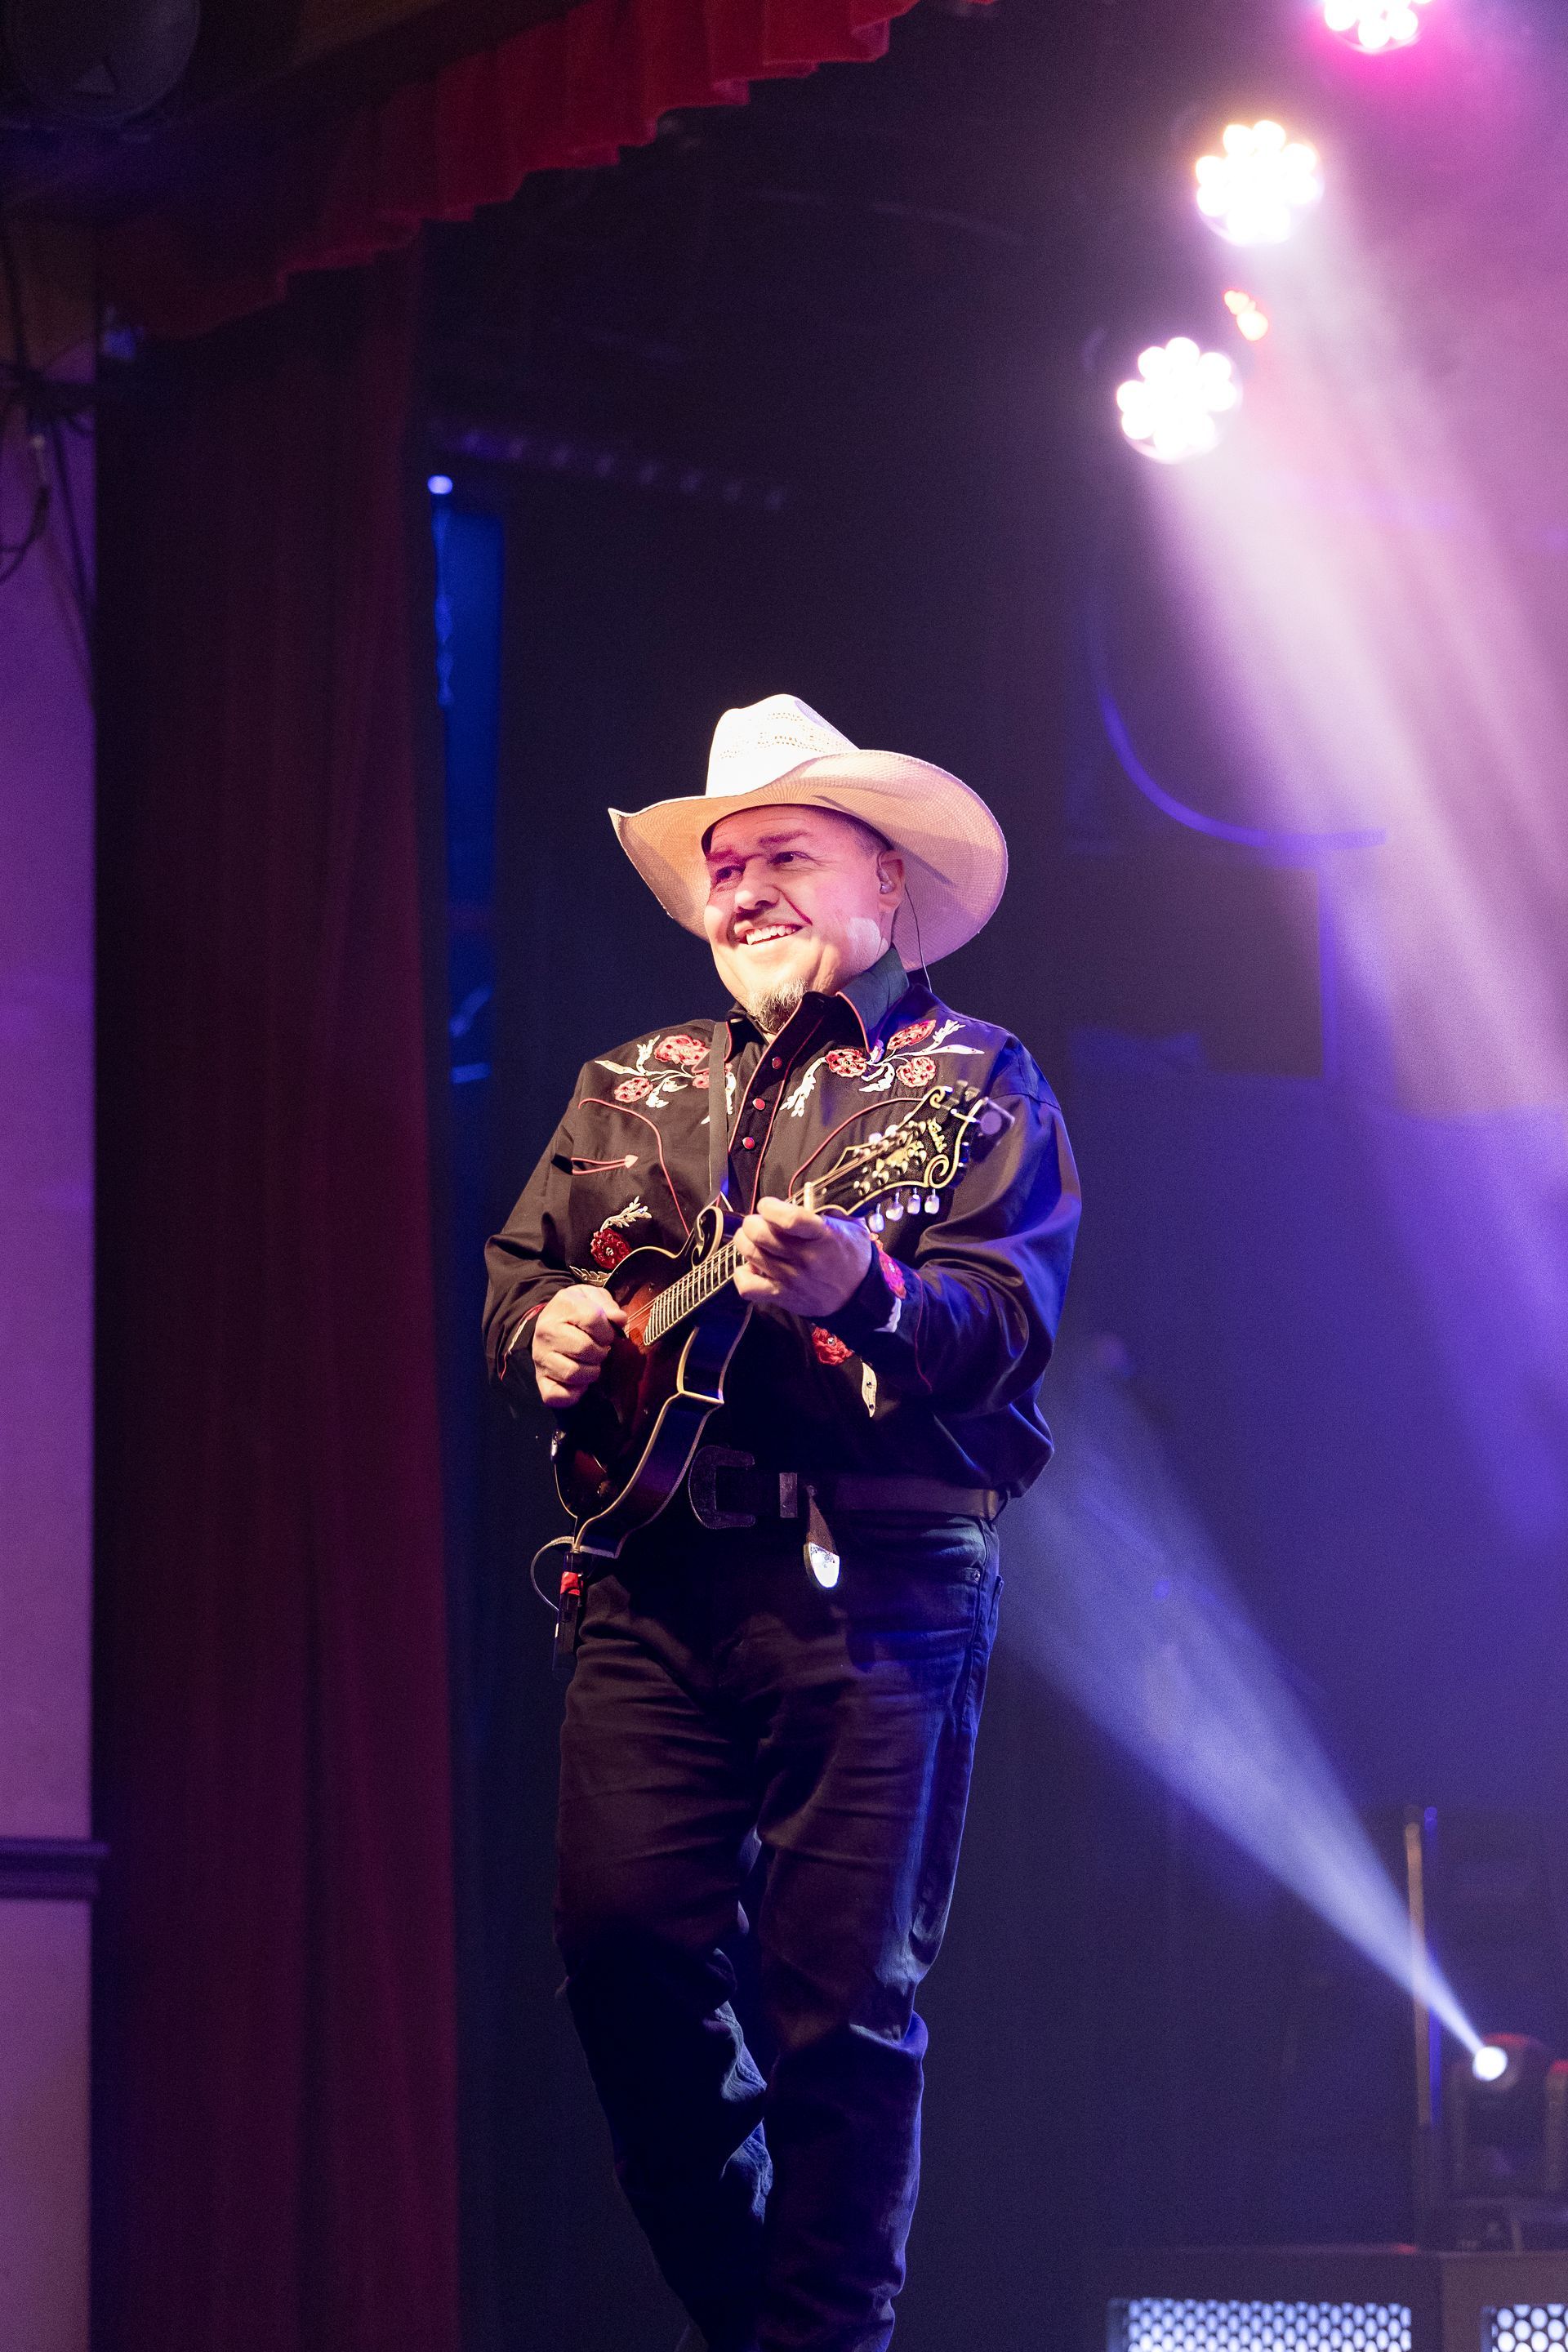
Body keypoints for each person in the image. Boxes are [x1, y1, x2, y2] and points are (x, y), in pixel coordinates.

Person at [483, 693, 1080, 2352]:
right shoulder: (626, 1084)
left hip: (879, 1580)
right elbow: (521, 1278)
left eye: (785, 856)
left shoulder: (971, 1079)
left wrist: (866, 1289)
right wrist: (542, 1332)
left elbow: (1002, 1325)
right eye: (724, 864)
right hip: (653, 1578)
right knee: (622, 1961)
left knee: (839, 2014)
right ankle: (768, 2324)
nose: (741, 887)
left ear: (885, 885)